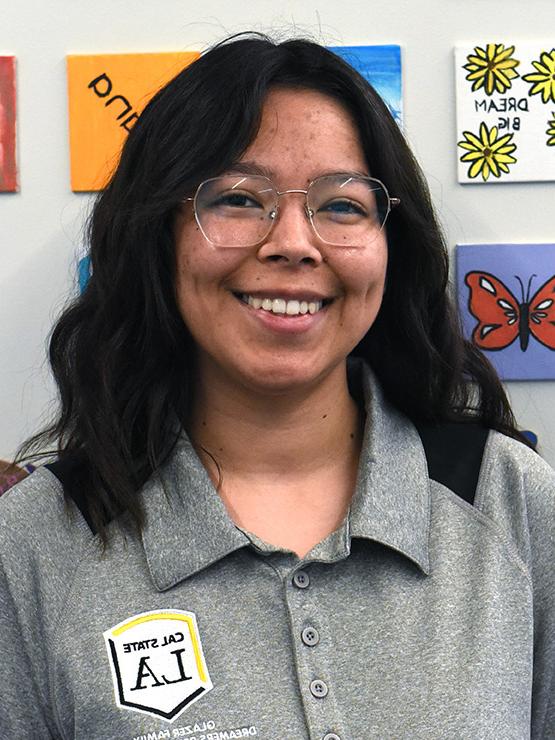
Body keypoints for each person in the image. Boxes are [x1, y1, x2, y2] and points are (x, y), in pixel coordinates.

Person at [1, 33, 553, 740]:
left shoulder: (509, 502)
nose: (292, 241)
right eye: (236, 197)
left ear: (393, 244)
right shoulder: (38, 541)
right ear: (157, 236)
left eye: (342, 206)